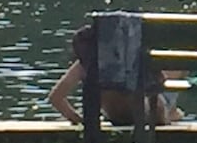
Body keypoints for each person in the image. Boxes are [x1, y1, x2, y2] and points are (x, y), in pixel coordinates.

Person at [49, 24, 183, 126]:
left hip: (114, 116)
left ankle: (173, 111)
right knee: (176, 71)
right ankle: (173, 112)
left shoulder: (86, 64)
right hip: (148, 115)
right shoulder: (129, 59)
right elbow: (159, 86)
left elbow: (56, 98)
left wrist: (79, 120)